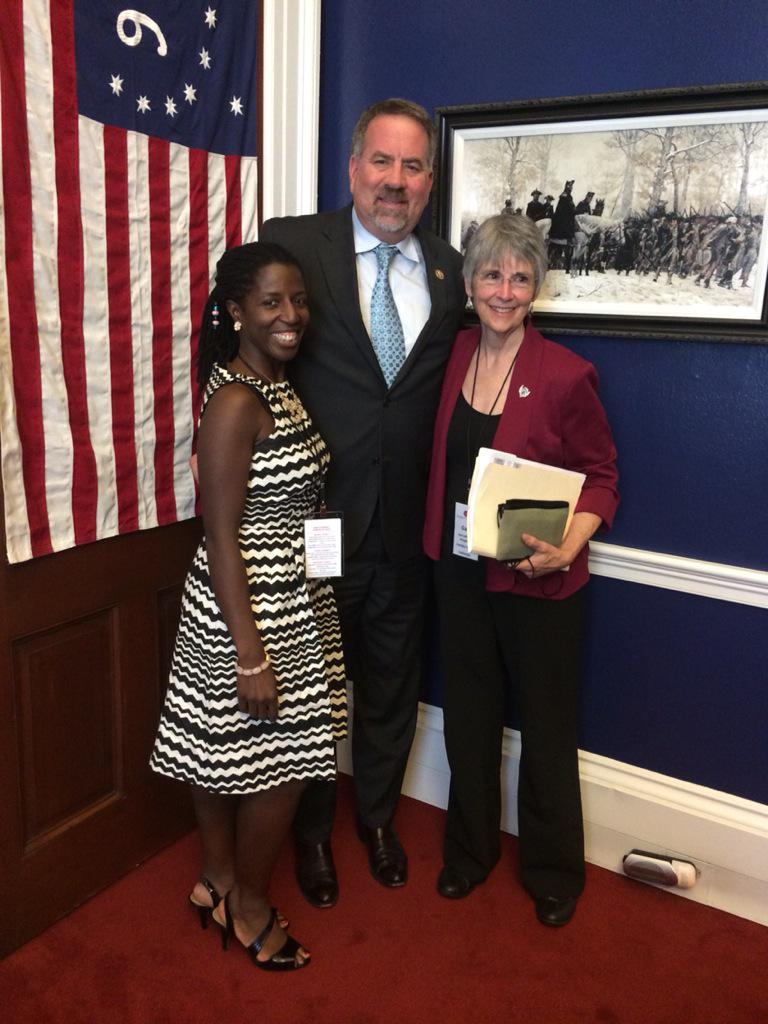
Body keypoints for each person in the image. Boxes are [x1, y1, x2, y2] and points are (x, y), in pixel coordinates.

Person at [261, 98, 466, 907]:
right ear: (353, 169)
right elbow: (233, 336)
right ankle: (312, 833)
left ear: (428, 183)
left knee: (390, 683)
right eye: (382, 161)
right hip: (316, 522)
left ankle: (377, 819)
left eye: (413, 166)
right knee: (313, 693)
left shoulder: (450, 272)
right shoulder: (292, 246)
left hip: (406, 528)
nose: (396, 181)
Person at [150, 242, 347, 969]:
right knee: (283, 766)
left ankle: (217, 880)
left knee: (221, 749)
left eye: (297, 300)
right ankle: (251, 908)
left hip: (292, 594)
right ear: (236, 311)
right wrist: (251, 655)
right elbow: (220, 535)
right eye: (270, 302)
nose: (290, 315)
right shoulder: (237, 402)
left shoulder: (274, 384)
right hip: (250, 608)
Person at [423, 214, 619, 927]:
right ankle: (468, 853)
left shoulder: (565, 374)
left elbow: (603, 477)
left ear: (536, 287)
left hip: (540, 580)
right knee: (469, 717)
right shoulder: (450, 354)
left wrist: (570, 544)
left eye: (520, 277)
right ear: (470, 282)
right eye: (491, 274)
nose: (504, 291)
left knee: (546, 725)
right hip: (459, 573)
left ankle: (553, 870)